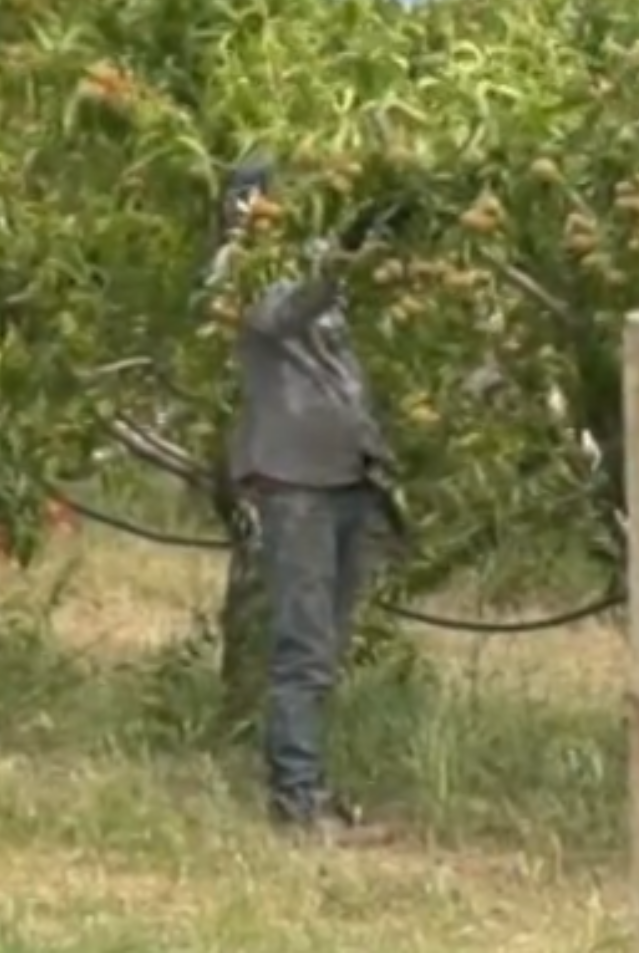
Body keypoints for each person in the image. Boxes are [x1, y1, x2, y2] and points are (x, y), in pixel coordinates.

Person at [220, 163, 399, 843]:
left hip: (347, 477)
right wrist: (347, 255)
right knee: (304, 647)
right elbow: (286, 311)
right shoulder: (237, 275)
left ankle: (311, 785)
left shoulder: (311, 278)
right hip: (296, 485)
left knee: (327, 644)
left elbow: (338, 371)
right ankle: (294, 804)